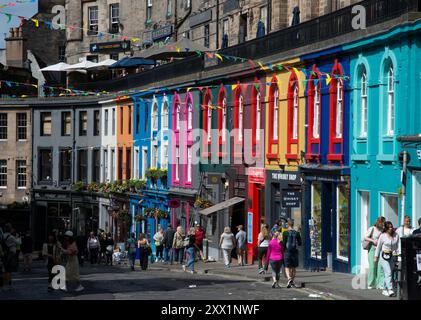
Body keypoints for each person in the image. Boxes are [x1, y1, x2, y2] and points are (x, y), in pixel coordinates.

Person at [374, 221, 400, 297]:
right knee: (388, 272)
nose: (391, 228)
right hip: (384, 256)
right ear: (386, 228)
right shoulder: (383, 236)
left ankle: (385, 289)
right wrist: (376, 257)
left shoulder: (396, 235)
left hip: (393, 255)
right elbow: (378, 247)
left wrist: (398, 256)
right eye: (389, 227)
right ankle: (390, 290)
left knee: (389, 273)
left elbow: (398, 246)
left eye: (391, 227)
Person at [364, 216, 386, 290]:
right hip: (372, 249)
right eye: (383, 223)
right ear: (379, 222)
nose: (383, 224)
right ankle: (371, 283)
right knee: (373, 267)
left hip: (380, 250)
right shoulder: (372, 228)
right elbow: (365, 237)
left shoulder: (383, 230)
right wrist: (373, 240)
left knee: (380, 267)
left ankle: (380, 284)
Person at [282, 218, 302, 288]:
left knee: (287, 267)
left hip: (287, 252)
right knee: (293, 268)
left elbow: (284, 244)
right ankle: (292, 281)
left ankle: (289, 279)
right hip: (294, 252)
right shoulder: (297, 233)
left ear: (288, 224)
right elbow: (300, 243)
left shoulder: (285, 233)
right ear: (293, 225)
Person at [1, 223, 18, 291]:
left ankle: (4, 284)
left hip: (4, 254)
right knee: (9, 270)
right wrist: (17, 237)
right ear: (10, 229)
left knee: (5, 269)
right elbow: (18, 243)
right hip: (11, 254)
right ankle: (7, 284)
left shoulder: (2, 236)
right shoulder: (11, 237)